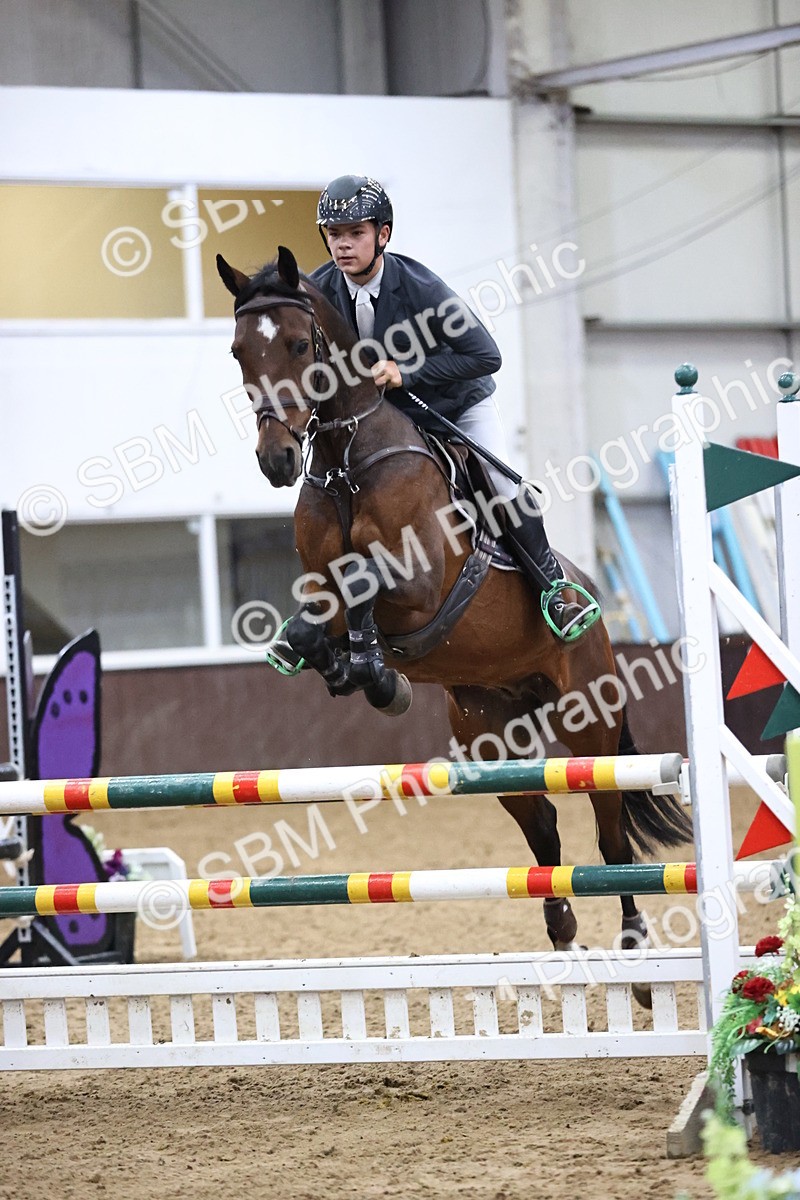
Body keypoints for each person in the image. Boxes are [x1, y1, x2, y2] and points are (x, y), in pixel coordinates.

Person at [308, 174, 599, 641]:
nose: (343, 245)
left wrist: (406, 371)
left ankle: (554, 590)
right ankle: (315, 615)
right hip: (391, 422)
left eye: (356, 233)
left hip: (455, 406)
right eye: (334, 234)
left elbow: (486, 356)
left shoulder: (420, 287)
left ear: (383, 234)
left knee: (500, 484)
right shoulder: (320, 289)